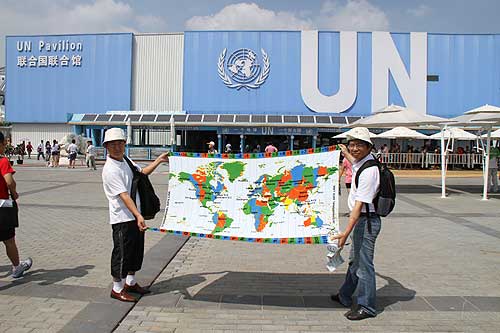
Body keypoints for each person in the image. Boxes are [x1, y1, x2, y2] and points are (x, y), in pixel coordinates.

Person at [102, 128, 169, 302]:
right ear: (106, 146)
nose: (117, 147)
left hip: (135, 216)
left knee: (136, 252)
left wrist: (159, 161)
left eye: (120, 143)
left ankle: (130, 282)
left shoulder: (126, 160)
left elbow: (141, 174)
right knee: (122, 253)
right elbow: (124, 196)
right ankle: (117, 288)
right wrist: (138, 216)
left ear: (125, 144)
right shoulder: (110, 169)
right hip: (123, 218)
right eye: (113, 144)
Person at [330, 127, 381, 321]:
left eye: (359, 144)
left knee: (364, 266)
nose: (354, 148)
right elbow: (354, 164)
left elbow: (358, 208)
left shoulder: (370, 172)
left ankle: (367, 306)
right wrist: (344, 152)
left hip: (366, 223)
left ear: (369, 147)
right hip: (362, 221)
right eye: (352, 144)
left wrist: (345, 234)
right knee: (355, 262)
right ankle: (344, 295)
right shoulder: (364, 163)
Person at [0, 131, 33, 278]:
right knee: (9, 240)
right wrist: (14, 193)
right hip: (3, 205)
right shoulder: (2, 161)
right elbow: (9, 181)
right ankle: (17, 267)